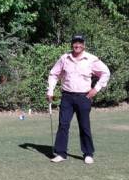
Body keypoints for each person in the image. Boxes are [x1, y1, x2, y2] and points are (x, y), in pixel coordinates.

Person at [46, 35, 110, 164]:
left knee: (84, 126)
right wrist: (50, 90)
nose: (77, 45)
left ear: (84, 45)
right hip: (67, 97)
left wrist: (96, 89)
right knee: (63, 124)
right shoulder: (64, 58)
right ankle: (61, 153)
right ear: (72, 44)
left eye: (80, 43)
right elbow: (54, 74)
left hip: (84, 97)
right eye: (75, 42)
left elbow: (105, 73)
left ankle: (88, 154)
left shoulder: (91, 59)